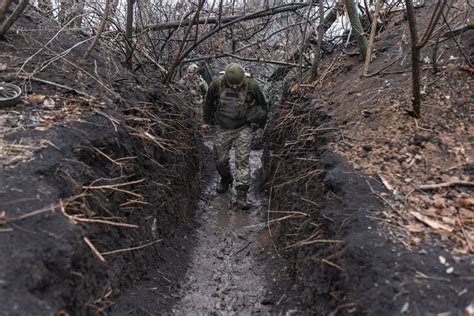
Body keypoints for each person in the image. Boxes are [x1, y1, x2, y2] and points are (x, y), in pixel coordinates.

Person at [201, 63, 267, 209]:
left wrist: (261, 127)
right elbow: (208, 102)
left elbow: (264, 105)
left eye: (239, 84)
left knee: (242, 160)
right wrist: (206, 122)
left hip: (243, 127)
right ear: (226, 81)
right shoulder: (217, 83)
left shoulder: (252, 85)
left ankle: (242, 194)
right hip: (222, 127)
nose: (236, 87)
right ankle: (226, 179)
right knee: (220, 159)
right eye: (232, 84)